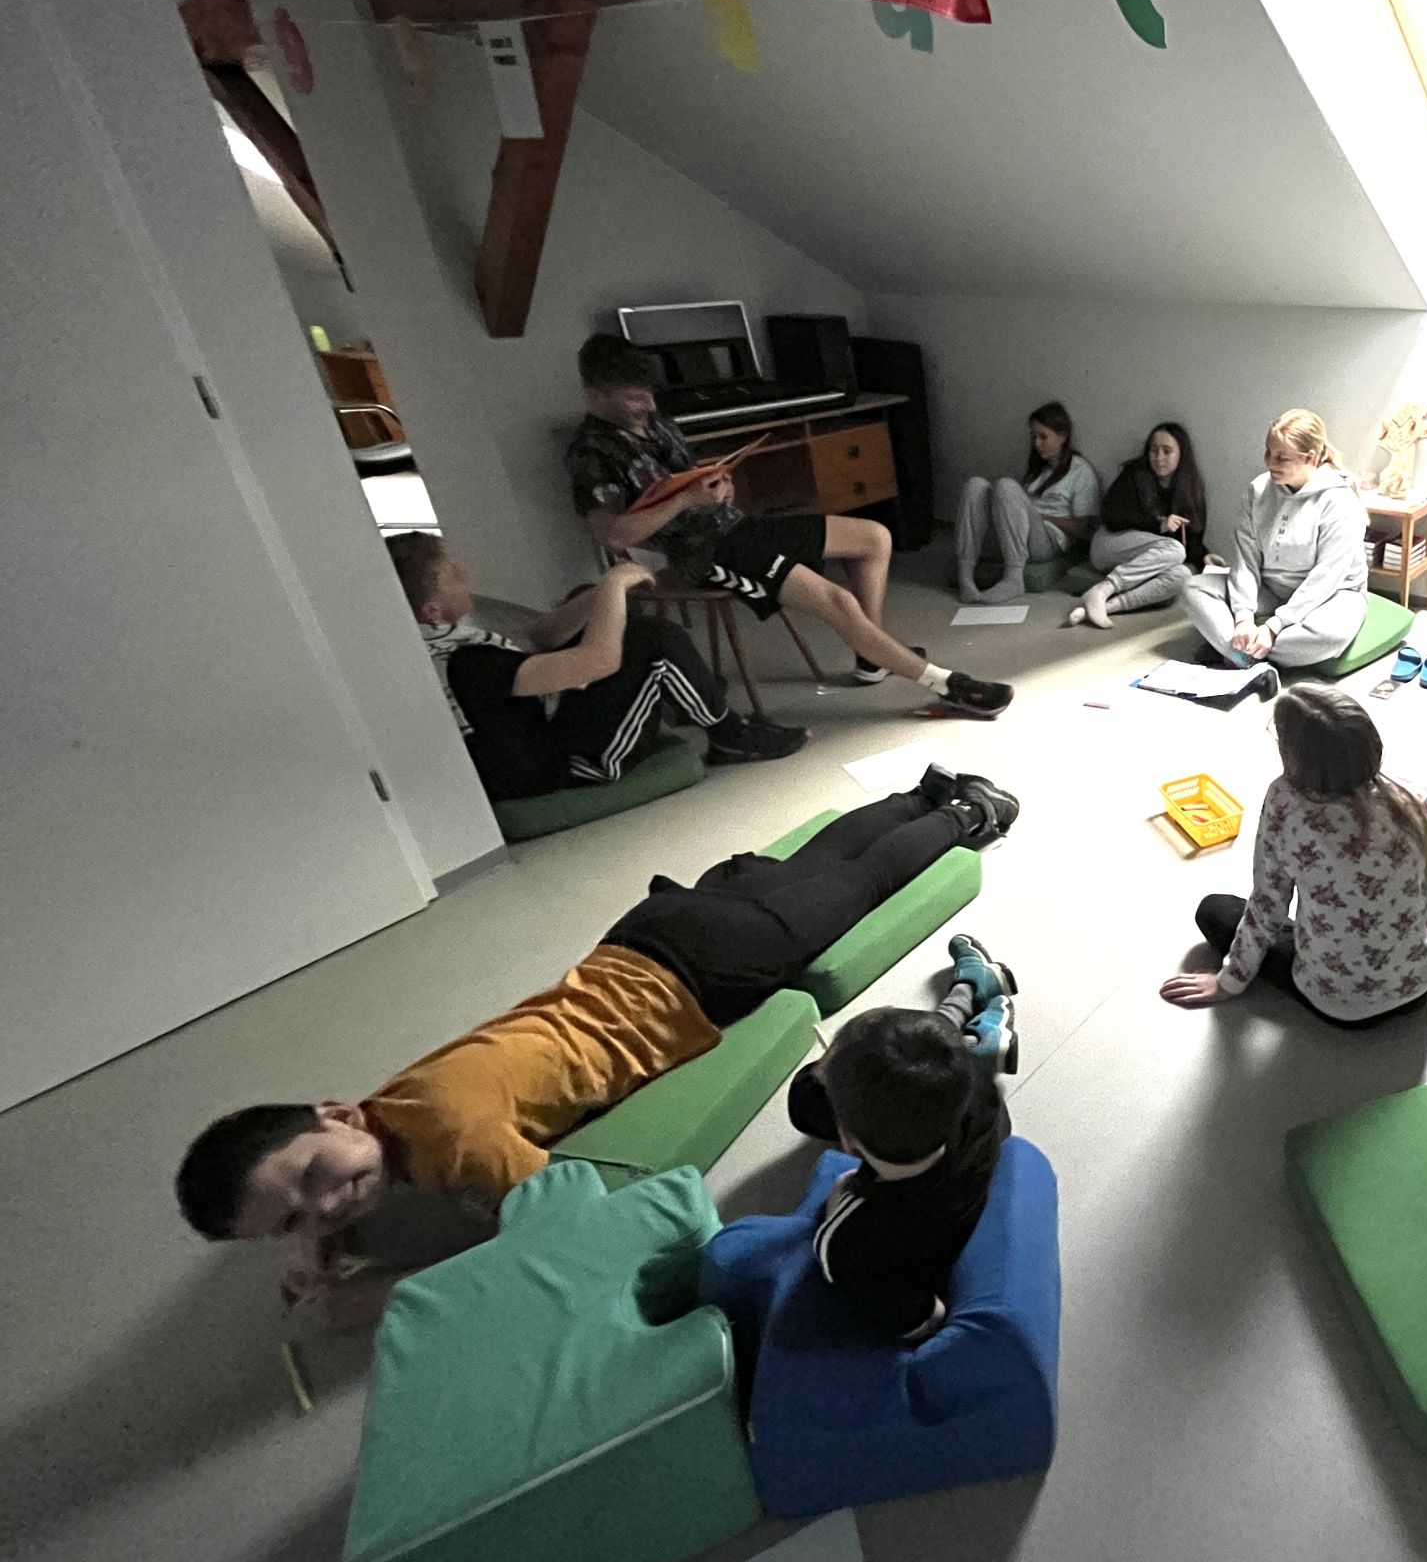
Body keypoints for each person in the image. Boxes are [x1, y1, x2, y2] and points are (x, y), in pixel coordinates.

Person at [172, 767, 1022, 1326]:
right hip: (640, 936)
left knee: (859, 883)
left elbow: (567, 1233)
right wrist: (317, 1233)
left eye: (312, 1178)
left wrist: (378, 1294)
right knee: (813, 862)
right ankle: (918, 795)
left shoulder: (454, 1137)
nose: (326, 1203)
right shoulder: (389, 1104)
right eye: (293, 1216)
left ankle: (967, 811)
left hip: (704, 973)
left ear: (333, 1112)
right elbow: (354, 1167)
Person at [563, 333, 1010, 719]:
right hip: (706, 552)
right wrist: (685, 500)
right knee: (838, 601)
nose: (648, 405)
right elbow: (613, 534)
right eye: (633, 398)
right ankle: (945, 684)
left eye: (648, 394)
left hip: (738, 527)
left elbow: (685, 476)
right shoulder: (590, 451)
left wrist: (717, 484)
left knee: (875, 537)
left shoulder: (656, 424)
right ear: (594, 394)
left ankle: (872, 655)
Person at [1160, 685, 1427, 1053]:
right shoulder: (1411, 794)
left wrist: (1229, 982)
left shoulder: (1285, 802)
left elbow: (1268, 906)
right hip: (1418, 983)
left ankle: (1418, 968)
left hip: (1342, 1007)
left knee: (1214, 910)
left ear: (1293, 755)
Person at [386, 532, 803, 798]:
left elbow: (538, 638)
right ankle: (730, 736)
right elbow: (597, 663)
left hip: (544, 724)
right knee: (651, 640)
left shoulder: (438, 641)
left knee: (597, 605)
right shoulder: (464, 662)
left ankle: (699, 705)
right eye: (451, 574)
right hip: (562, 765)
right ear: (432, 610)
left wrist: (598, 594)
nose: (464, 574)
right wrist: (615, 586)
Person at [783, 989, 1011, 1342]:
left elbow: (927, 1319)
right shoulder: (980, 1095)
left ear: (846, 1140)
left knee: (805, 1099)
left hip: (906, 1236)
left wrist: (840, 1193)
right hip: (967, 1163)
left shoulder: (850, 1243)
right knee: (908, 1056)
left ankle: (970, 1020)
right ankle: (973, 1027)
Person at [1179, 409, 1370, 670]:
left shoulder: (1340, 501)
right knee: (1194, 588)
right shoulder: (1258, 490)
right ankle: (1243, 653)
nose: (1270, 462)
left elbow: (1326, 578)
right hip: (1271, 588)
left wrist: (1274, 626)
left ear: (1310, 457)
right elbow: (1245, 561)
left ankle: (1233, 649)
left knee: (1332, 634)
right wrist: (1243, 619)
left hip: (1332, 595)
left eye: (1282, 457)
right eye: (1268, 452)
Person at [956, 402, 1102, 605]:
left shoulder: (1080, 471)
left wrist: (1041, 516)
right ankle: (965, 577)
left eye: (1043, 437)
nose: (1037, 444)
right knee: (976, 485)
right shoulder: (1037, 469)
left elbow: (1082, 529)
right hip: (1019, 534)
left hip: (1048, 539)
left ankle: (1014, 578)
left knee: (1006, 486)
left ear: (1062, 436)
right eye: (1034, 437)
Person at [1066, 421, 1208, 629]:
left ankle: (1105, 606)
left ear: (1181, 455)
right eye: (1154, 450)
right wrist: (1159, 524)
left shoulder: (1188, 489)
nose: (1159, 458)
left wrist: (1204, 556)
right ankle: (1103, 589)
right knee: (1174, 550)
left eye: (1167, 451)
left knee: (1182, 575)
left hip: (1145, 558)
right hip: (1108, 544)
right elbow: (1111, 515)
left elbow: (1191, 537)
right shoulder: (1136, 474)